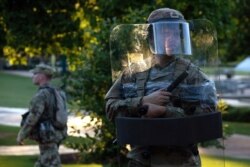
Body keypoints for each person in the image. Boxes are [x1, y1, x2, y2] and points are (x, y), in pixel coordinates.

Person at [105, 8, 218, 167]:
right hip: (142, 160)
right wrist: (142, 103)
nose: (172, 38)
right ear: (151, 37)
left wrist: (165, 112)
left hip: (181, 161)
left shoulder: (193, 75)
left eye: (176, 32)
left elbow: (208, 118)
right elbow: (111, 109)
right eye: (165, 33)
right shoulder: (134, 73)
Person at [17, 64, 67, 167]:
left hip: (47, 136)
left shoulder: (42, 95)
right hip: (57, 133)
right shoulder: (58, 92)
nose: (33, 76)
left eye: (35, 74)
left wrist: (22, 134)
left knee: (52, 164)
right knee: (42, 163)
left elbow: (33, 117)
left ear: (42, 76)